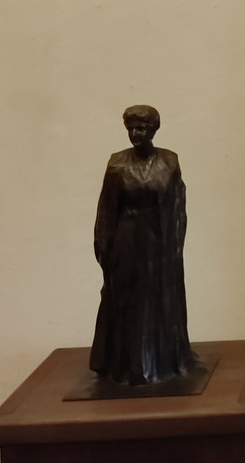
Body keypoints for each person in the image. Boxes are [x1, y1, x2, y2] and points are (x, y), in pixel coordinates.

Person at [90, 105, 193, 384]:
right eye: (131, 128)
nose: (136, 134)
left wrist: (176, 246)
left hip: (159, 241)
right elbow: (106, 209)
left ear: (153, 130)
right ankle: (128, 365)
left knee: (158, 299)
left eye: (142, 128)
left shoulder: (169, 161)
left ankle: (160, 361)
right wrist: (104, 247)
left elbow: (178, 206)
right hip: (128, 240)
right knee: (127, 299)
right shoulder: (117, 164)